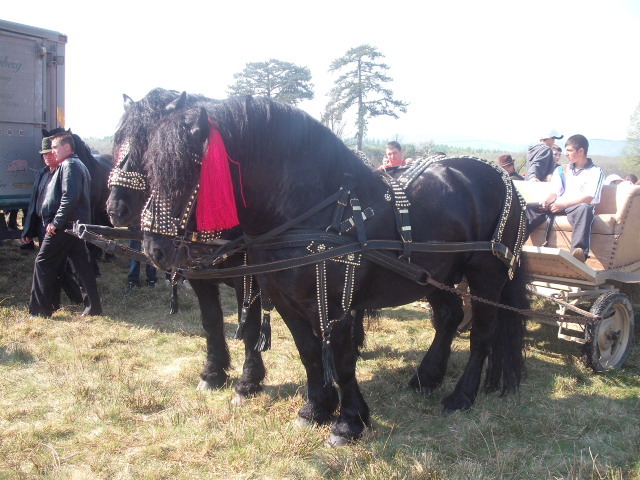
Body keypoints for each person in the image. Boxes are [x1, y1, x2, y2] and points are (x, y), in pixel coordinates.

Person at [28, 133, 102, 318]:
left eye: (55, 148)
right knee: (81, 266)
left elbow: (70, 197)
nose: (52, 152)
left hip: (65, 226)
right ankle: (94, 308)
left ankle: (38, 311)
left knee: (43, 262)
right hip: (72, 226)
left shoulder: (70, 165)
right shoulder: (76, 165)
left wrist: (56, 223)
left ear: (67, 147)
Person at [22, 136, 83, 309]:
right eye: (44, 154)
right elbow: (35, 203)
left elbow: (69, 199)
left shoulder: (64, 171)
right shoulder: (41, 174)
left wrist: (57, 223)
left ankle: (43, 307)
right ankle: (66, 300)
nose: (47, 156)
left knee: (48, 263)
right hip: (44, 226)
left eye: (50, 152)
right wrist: (28, 229)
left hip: (58, 226)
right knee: (54, 266)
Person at [526, 134, 604, 263]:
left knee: (585, 209)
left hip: (576, 207)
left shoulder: (595, 171)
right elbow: (554, 192)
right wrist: (547, 200)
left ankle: (578, 252)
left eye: (569, 150)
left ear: (581, 151)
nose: (566, 154)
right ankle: (515, 244)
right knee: (530, 209)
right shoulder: (562, 170)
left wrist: (564, 205)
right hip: (558, 204)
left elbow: (589, 197)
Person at [126, 226, 157, 293]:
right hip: (135, 219)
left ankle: (152, 279)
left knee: (151, 246)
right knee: (134, 248)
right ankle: (133, 280)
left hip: (151, 218)